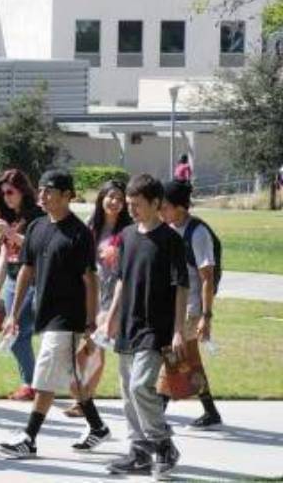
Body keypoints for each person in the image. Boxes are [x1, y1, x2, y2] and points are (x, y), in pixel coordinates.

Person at [0, 169, 111, 459]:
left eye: (49, 191)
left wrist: (90, 320)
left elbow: (90, 279)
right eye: (40, 190)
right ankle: (97, 426)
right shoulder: (37, 227)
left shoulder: (80, 233)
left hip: (69, 316)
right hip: (45, 312)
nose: (42, 196)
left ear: (67, 196)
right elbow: (26, 270)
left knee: (45, 372)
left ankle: (29, 437)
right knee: (72, 379)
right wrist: (12, 313)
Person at [101, 174, 188, 477]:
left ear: (155, 203)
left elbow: (181, 286)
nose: (132, 210)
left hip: (157, 327)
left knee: (140, 386)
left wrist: (178, 329)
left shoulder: (171, 239)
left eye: (137, 205)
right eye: (129, 205)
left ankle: (163, 443)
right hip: (128, 324)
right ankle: (139, 452)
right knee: (127, 390)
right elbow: (122, 281)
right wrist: (110, 319)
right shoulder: (126, 235)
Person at [64, 179, 132, 418]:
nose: (114, 202)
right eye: (110, 196)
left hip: (114, 298)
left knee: (93, 348)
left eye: (119, 198)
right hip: (89, 295)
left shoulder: (128, 231)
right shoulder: (90, 226)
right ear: (101, 198)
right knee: (88, 349)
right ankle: (82, 396)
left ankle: (84, 399)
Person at [161, 178, 222, 429]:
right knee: (187, 360)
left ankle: (156, 410)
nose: (160, 210)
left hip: (191, 307)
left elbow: (207, 277)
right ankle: (210, 411)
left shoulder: (198, 233)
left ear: (180, 207)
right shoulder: (169, 228)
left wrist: (205, 317)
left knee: (172, 358)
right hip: (174, 304)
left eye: (164, 206)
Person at [0, 168, 44, 401]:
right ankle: (30, 383)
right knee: (14, 334)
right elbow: (5, 254)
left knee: (20, 333)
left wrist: (10, 232)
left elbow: (37, 246)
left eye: (10, 192)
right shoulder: (9, 216)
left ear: (22, 191)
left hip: (33, 280)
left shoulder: (36, 215)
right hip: (12, 279)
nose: (7, 197)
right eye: (3, 194)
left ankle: (32, 383)